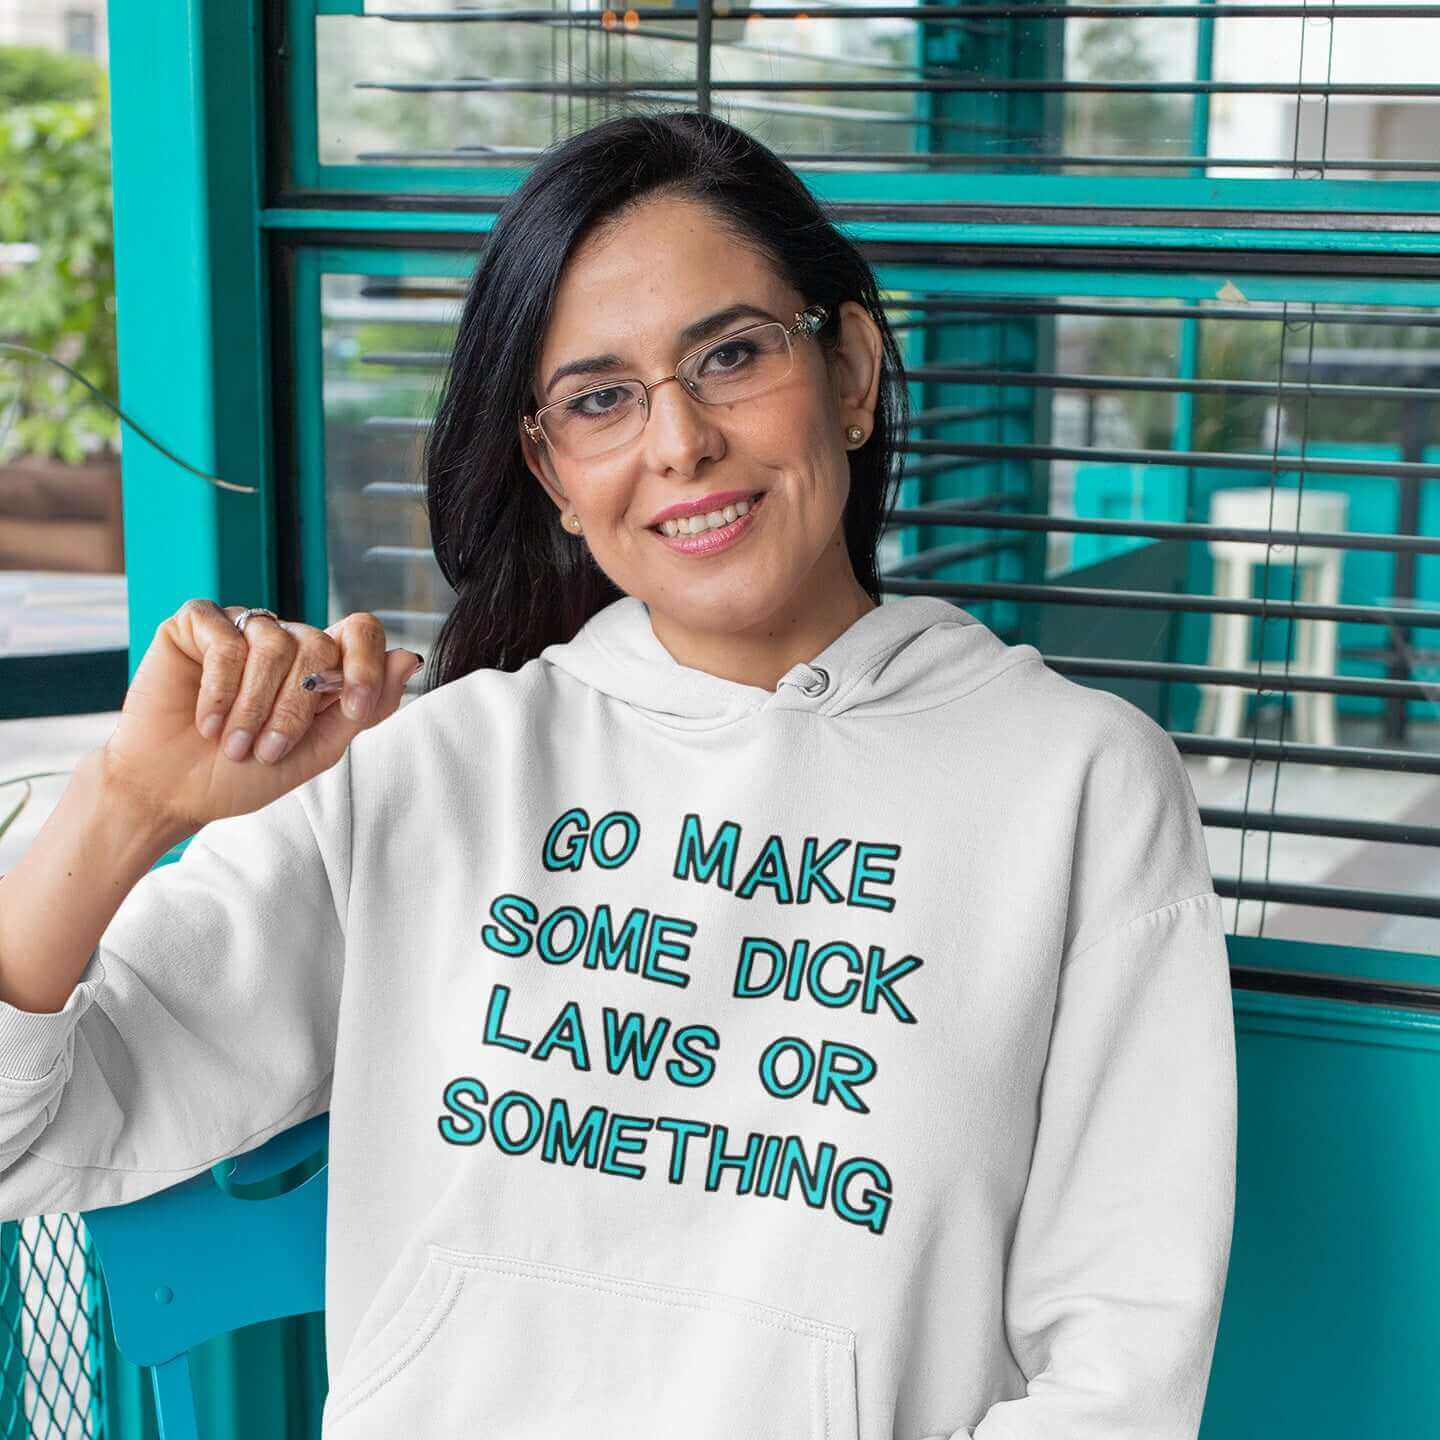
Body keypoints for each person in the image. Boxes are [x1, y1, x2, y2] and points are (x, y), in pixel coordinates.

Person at [0, 110, 1237, 1440]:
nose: (679, 442)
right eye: (600, 399)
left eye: (732, 355)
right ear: (552, 470)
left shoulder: (1076, 784)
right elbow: (30, 1138)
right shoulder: (433, 768)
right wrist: (130, 806)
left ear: (855, 372)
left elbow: (1117, 1363)